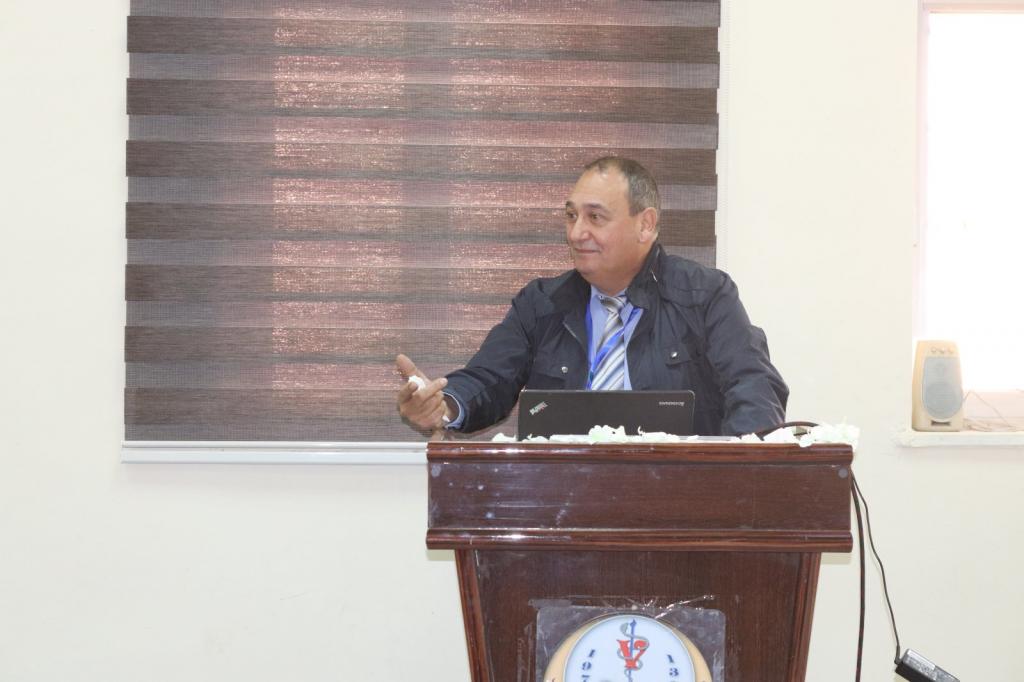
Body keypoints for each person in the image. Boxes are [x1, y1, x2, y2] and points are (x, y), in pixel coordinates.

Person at [396, 157, 788, 436]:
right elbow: (488, 379)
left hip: (678, 502)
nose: (576, 233)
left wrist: (731, 473)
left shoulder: (705, 296)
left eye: (595, 217)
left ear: (645, 225)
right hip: (563, 501)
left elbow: (755, 388)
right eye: (571, 216)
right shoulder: (541, 304)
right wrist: (445, 404)